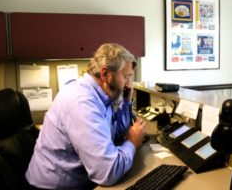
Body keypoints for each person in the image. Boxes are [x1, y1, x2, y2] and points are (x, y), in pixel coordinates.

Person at [25, 43, 147, 189]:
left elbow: (116, 134)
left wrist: (127, 102)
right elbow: (107, 173)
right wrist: (132, 142)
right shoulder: (82, 104)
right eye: (125, 76)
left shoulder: (102, 95)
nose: (128, 84)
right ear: (105, 74)